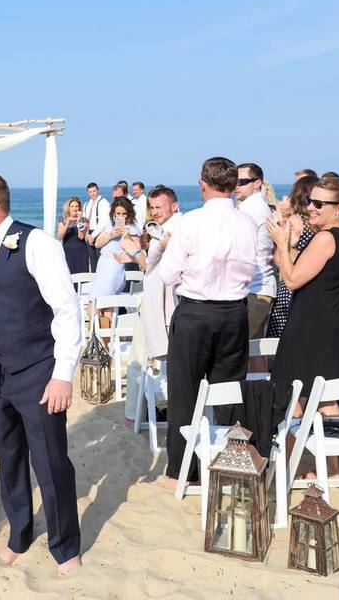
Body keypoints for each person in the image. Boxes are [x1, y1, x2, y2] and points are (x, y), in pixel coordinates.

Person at [0, 171, 83, 576]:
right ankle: (20, 533)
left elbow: (66, 310)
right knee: (9, 457)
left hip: (38, 371)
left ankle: (66, 546)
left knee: (50, 462)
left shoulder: (37, 243)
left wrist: (62, 374)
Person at [156, 157, 258, 490]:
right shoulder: (246, 223)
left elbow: (169, 274)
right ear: (233, 185)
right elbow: (252, 270)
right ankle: (231, 464)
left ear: (203, 184)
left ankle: (181, 472)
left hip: (197, 312)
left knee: (185, 392)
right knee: (230, 391)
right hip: (234, 312)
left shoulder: (192, 221)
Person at [266, 178, 339, 477]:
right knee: (326, 396)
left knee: (294, 393)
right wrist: (289, 246)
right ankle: (330, 469)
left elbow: (292, 281)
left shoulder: (326, 238)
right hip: (333, 320)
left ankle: (290, 466)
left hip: (311, 323)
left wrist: (282, 244)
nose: (311, 207)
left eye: (319, 204)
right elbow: (303, 272)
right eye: (310, 201)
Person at [119, 186, 181, 423]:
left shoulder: (172, 231)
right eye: (152, 207)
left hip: (159, 303)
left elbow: (151, 267)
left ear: (174, 206)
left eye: (159, 207)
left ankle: (132, 415)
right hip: (166, 302)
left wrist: (134, 251)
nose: (154, 212)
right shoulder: (171, 227)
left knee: (139, 358)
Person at [266, 175, 319, 337]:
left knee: (280, 341)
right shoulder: (320, 225)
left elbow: (279, 260)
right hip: (315, 288)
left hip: (291, 286)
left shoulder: (294, 220)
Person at [236, 163, 276, 340]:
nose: (236, 186)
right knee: (255, 350)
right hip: (261, 287)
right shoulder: (257, 206)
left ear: (257, 183)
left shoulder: (251, 209)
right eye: (233, 181)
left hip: (254, 289)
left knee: (240, 348)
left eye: (242, 181)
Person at [90, 197, 137, 302]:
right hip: (102, 266)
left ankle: (105, 319)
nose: (120, 217)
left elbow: (137, 250)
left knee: (103, 304)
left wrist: (127, 235)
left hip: (114, 268)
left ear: (129, 213)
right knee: (94, 303)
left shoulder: (132, 228)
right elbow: (97, 244)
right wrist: (110, 236)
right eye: (118, 214)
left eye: (124, 214)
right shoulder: (110, 225)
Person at [56, 196, 89, 274]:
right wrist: (67, 223)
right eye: (72, 206)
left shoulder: (84, 220)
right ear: (69, 207)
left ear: (79, 208)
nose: (74, 209)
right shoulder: (62, 219)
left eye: (77, 206)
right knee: (68, 274)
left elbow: (81, 236)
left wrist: (79, 220)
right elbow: (60, 237)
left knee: (82, 275)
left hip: (81, 251)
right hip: (67, 250)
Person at [82, 182, 110, 272]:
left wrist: (93, 236)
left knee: (101, 259)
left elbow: (103, 222)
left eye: (94, 191)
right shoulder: (87, 204)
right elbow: (84, 220)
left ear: (98, 190)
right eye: (90, 192)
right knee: (92, 260)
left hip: (99, 233)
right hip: (89, 233)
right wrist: (86, 234)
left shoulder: (104, 202)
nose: (92, 193)